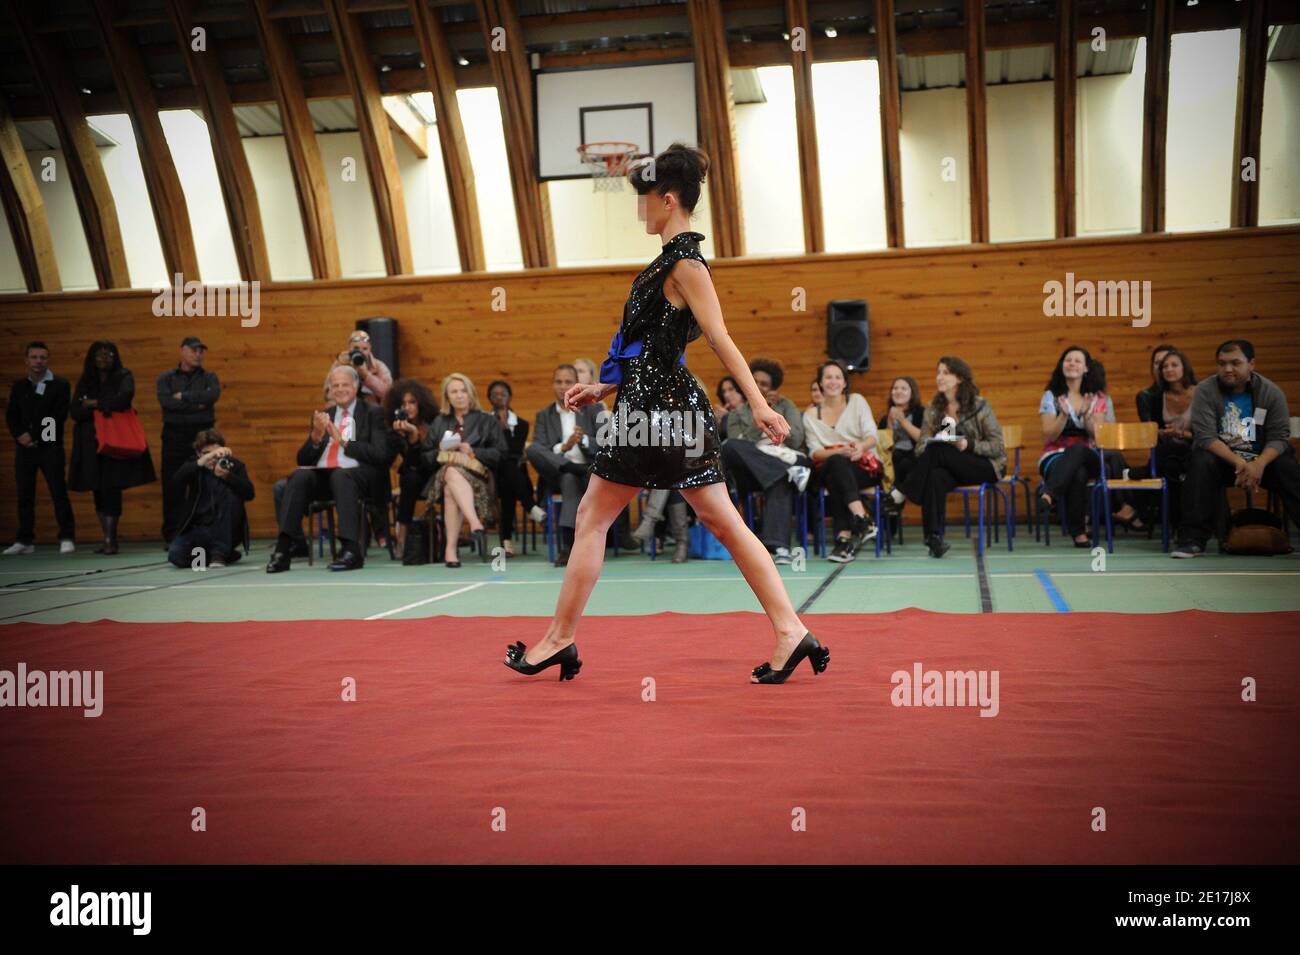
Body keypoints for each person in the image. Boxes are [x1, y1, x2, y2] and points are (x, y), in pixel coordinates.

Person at [504, 142, 826, 685]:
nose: (639, 209)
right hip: (664, 407)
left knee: (594, 517)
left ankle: (560, 639)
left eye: (644, 199)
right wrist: (602, 388)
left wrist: (758, 403)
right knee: (719, 520)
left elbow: (720, 339)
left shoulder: (685, 264)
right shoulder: (669, 262)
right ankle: (791, 631)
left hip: (653, 414)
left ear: (669, 199)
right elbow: (653, 349)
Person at [1172, 339, 1300, 558]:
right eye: (1222, 363)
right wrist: (1240, 463)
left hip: (1263, 461)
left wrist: (1258, 464)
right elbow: (1205, 437)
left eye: (1235, 363)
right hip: (1223, 461)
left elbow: (1279, 437)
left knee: (1287, 464)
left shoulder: (1271, 392)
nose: (1227, 369)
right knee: (1200, 461)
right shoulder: (1205, 390)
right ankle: (1192, 540)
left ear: (1251, 364)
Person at [267, 365, 391, 573]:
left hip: (361, 478)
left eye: (345, 385)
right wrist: (315, 437)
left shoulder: (373, 413)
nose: (340, 389)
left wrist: (343, 442)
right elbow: (303, 459)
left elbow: (381, 455)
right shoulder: (325, 415)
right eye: (335, 386)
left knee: (342, 476)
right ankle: (283, 549)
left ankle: (351, 550)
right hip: (327, 476)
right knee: (299, 476)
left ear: (356, 386)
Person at [890, 357, 1006, 558]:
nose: (939, 377)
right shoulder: (934, 408)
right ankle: (933, 539)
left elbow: (998, 447)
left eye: (945, 373)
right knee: (935, 473)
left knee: (939, 450)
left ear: (959, 378)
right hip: (952, 466)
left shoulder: (979, 405)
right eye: (938, 372)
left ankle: (901, 491)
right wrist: (936, 440)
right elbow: (921, 447)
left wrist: (967, 444)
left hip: (985, 465)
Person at [1033, 346, 1144, 546]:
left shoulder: (1097, 397)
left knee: (1078, 450)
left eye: (1077, 361)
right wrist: (1064, 416)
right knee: (1079, 473)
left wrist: (1085, 415)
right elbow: (1049, 434)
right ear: (1062, 365)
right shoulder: (1051, 396)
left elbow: (1100, 437)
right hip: (1054, 456)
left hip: (1091, 453)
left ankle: (1049, 494)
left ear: (1086, 368)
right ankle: (1079, 534)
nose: (1072, 363)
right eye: (1068, 360)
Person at [68, 341, 157, 554]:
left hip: (115, 440)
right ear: (92, 358)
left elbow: (124, 400)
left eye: (109, 355)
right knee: (97, 488)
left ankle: (111, 539)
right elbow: (75, 412)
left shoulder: (124, 375)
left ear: (115, 357)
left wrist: (93, 403)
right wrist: (105, 405)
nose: (104, 358)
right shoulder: (85, 380)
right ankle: (107, 538)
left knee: (112, 487)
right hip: (90, 442)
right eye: (100, 355)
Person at [722, 358, 810, 565]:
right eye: (756, 382)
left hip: (784, 456)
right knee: (729, 446)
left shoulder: (786, 405)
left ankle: (778, 547)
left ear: (773, 387)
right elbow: (739, 443)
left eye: (765, 384)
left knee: (779, 480)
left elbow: (797, 439)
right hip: (754, 470)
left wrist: (775, 414)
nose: (760, 387)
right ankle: (783, 472)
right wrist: (759, 416)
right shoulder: (737, 414)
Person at [526, 364, 606, 567]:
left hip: (587, 471)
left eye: (568, 382)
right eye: (558, 382)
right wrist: (564, 446)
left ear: (576, 384)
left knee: (570, 479)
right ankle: (570, 467)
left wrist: (583, 441)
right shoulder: (543, 415)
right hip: (556, 472)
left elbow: (604, 444)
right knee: (532, 449)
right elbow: (541, 449)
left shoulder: (593, 409)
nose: (563, 386)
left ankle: (568, 547)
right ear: (553, 385)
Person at [425, 373, 506, 566]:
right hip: (444, 472)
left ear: (470, 394)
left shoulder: (487, 420)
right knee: (451, 472)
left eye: (463, 391)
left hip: (479, 476)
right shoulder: (439, 422)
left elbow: (500, 454)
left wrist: (473, 450)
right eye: (454, 391)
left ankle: (450, 550)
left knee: (449, 489)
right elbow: (424, 457)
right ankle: (475, 523)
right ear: (447, 396)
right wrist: (440, 450)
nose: (459, 395)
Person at [803, 360, 879, 563]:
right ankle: (861, 519)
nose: (833, 381)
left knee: (838, 479)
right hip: (829, 466)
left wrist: (860, 448)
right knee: (837, 464)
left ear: (845, 382)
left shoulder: (857, 401)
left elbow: (872, 436)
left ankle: (844, 540)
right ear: (820, 382)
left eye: (838, 377)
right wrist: (839, 451)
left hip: (862, 465)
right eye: (828, 377)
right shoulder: (810, 415)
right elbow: (815, 452)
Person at [5, 342, 75, 555]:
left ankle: (66, 536)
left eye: (42, 357)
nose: (38, 361)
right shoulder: (19, 386)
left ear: (48, 360)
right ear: (27, 361)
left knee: (58, 492)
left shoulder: (60, 385)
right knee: (25, 494)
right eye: (34, 357)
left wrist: (37, 438)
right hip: (24, 449)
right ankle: (25, 540)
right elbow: (12, 415)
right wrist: (21, 436)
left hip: (50, 447)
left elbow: (58, 416)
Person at [157, 336, 220, 543]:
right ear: (182, 351)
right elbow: (167, 403)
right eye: (194, 350)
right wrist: (197, 404)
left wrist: (182, 397)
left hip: (202, 437)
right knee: (173, 485)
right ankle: (173, 535)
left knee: (203, 484)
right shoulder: (166, 378)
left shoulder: (210, 377)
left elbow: (211, 397)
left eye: (201, 350)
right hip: (174, 436)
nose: (198, 354)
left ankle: (203, 532)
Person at [167, 429, 254, 569]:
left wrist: (227, 476)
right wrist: (201, 463)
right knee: (176, 555)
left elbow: (249, 493)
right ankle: (222, 555)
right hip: (199, 528)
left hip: (225, 526)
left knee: (229, 495)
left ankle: (219, 554)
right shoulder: (194, 466)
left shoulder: (234, 465)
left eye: (216, 453)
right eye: (207, 454)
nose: (213, 458)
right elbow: (175, 483)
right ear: (198, 454)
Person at [486, 379, 547, 557]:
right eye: (495, 395)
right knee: (508, 467)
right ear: (489, 398)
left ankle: (506, 541)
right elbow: (498, 452)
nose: (499, 398)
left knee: (509, 483)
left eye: (503, 394)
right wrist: (500, 427)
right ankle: (531, 507)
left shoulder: (521, 424)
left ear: (510, 397)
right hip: (493, 472)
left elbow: (512, 449)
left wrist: (505, 428)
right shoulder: (485, 422)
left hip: (510, 475)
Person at [1140, 346, 1197, 529]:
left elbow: (1208, 433)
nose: (1169, 369)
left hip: (1196, 447)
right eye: (1164, 366)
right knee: (1169, 464)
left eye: (1174, 365)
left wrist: (1180, 434)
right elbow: (1152, 432)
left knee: (1185, 463)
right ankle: (1179, 527)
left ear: (1184, 368)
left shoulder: (1201, 393)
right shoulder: (1155, 397)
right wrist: (1161, 433)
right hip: (1169, 451)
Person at [384, 379, 441, 556]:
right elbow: (410, 463)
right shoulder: (395, 430)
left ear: (421, 403)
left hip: (436, 475)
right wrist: (409, 437)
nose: (407, 407)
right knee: (410, 477)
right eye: (403, 404)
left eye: (412, 402)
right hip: (413, 479)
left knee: (412, 477)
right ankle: (402, 537)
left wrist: (417, 435)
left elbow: (432, 461)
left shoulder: (435, 424)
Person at [878, 375, 925, 495]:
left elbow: (924, 439)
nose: (898, 391)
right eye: (895, 388)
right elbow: (883, 448)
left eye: (904, 389)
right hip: (894, 458)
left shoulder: (921, 413)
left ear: (912, 393)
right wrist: (889, 423)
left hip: (915, 457)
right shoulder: (885, 419)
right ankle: (891, 502)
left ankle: (894, 500)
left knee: (904, 463)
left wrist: (903, 421)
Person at [331, 329, 392, 405]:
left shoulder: (379, 366)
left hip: (371, 410)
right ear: (349, 348)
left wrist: (366, 376)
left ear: (370, 349)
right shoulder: (340, 364)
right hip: (345, 408)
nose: (360, 352)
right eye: (356, 348)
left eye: (365, 349)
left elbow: (388, 394)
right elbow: (328, 394)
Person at [1135, 343, 1177, 423]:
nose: (1162, 367)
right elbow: (1150, 429)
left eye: (1166, 362)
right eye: (1157, 363)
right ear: (1152, 367)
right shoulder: (1145, 396)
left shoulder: (1193, 392)